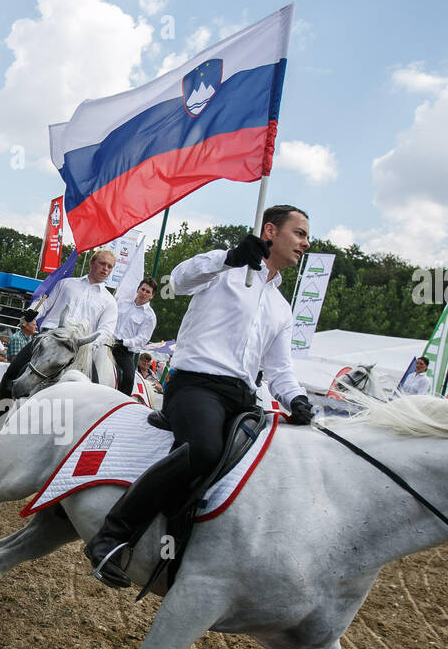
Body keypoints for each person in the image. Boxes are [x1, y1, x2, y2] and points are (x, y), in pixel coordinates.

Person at [83, 205, 317, 588]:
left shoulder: (282, 307)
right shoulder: (223, 271)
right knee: (204, 450)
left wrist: (297, 400)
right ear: (271, 231)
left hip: (244, 397)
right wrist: (227, 258)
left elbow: (279, 371)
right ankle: (112, 534)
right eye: (300, 234)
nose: (305, 244)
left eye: (307, 237)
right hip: (195, 386)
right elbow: (178, 279)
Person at [0, 247, 118, 402]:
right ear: (92, 262)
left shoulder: (109, 301)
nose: (105, 269)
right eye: (102, 263)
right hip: (49, 338)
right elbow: (45, 303)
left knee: (94, 394)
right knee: (12, 371)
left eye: (109, 266)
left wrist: (88, 346)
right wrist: (33, 311)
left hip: (79, 348)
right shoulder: (66, 284)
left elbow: (106, 330)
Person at [112, 278, 158, 396]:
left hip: (123, 351)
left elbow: (142, 339)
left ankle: (121, 402)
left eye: (148, 292)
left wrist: (124, 342)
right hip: (107, 343)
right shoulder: (122, 303)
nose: (144, 293)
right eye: (142, 289)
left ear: (152, 296)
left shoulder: (150, 316)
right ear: (138, 289)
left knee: (128, 377)